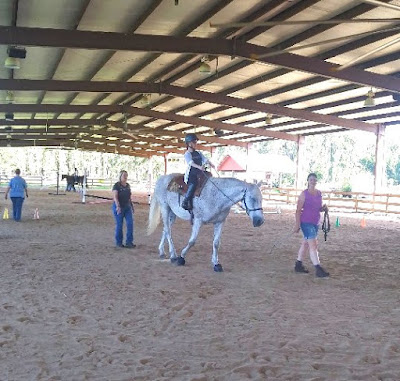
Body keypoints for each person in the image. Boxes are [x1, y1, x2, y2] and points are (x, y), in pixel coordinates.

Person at [294, 173, 330, 278]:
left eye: (314, 180)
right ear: (308, 181)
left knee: (305, 244)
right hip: (306, 222)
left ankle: (298, 264)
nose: (313, 181)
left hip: (315, 222)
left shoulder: (319, 194)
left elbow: (318, 208)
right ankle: (318, 268)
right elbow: (298, 210)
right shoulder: (304, 194)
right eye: (311, 180)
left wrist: (324, 208)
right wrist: (297, 224)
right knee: (313, 245)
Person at [181, 133, 215, 210]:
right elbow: (191, 163)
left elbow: (205, 159)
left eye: (196, 142)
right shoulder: (187, 154)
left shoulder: (199, 153)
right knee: (193, 184)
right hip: (192, 173)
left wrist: (211, 164)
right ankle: (185, 201)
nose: (196, 144)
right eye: (194, 142)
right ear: (189, 143)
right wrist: (199, 167)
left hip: (200, 172)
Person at [112, 170, 135, 249]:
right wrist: (118, 206)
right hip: (119, 207)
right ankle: (119, 242)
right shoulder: (116, 185)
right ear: (120, 176)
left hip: (127, 207)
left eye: (126, 175)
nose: (125, 177)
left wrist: (132, 206)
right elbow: (115, 197)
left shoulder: (128, 186)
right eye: (124, 175)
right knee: (119, 224)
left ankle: (129, 242)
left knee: (130, 224)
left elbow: (129, 197)